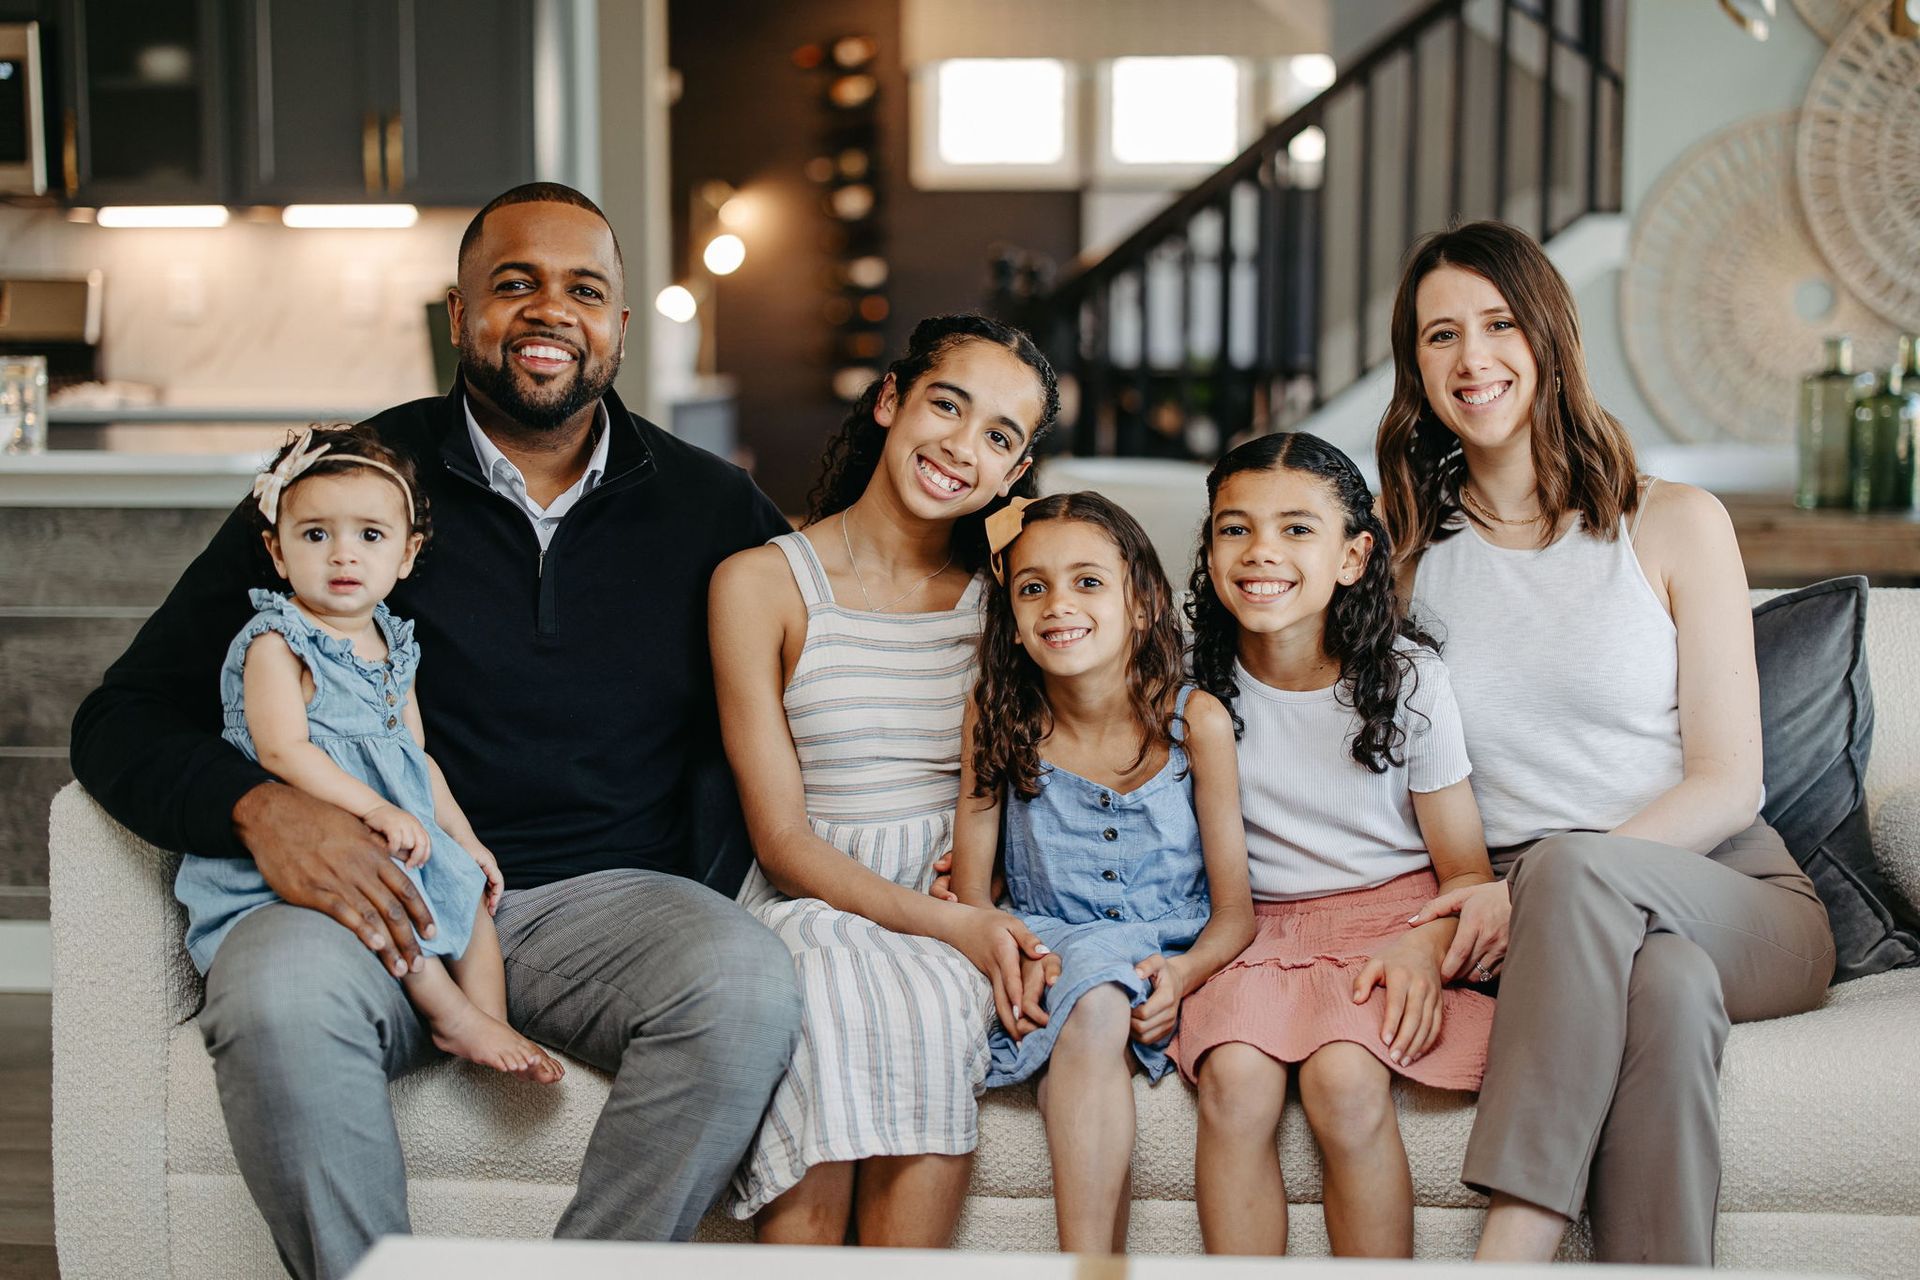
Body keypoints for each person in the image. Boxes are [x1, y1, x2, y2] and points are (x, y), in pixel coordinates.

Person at [68, 182, 802, 1280]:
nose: (550, 311)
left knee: (747, 983)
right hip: (368, 902)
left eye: (583, 289)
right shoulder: (342, 489)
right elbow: (120, 716)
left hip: (607, 906)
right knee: (273, 995)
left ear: (618, 326)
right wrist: (261, 806)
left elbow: (822, 692)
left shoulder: (715, 509)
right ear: (458, 315)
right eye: (514, 284)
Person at [1375, 220, 1835, 1265]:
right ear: (1416, 368)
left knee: (1579, 869)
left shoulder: (1672, 521)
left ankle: (1517, 1238)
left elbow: (1729, 781)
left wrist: (1542, 882)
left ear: (1547, 337)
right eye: (1439, 336)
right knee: (1665, 989)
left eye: (1497, 324)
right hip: (1534, 915)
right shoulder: (1404, 556)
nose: (1472, 358)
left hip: (1734, 889)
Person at [710, 314, 1059, 1245]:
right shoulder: (761, 582)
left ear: (1014, 474)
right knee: (827, 996)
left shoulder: (1011, 602)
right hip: (815, 890)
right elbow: (781, 841)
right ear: (890, 399)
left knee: (940, 995)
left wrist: (974, 897)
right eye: (947, 405)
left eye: (998, 436)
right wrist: (951, 923)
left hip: (960, 889)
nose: (961, 447)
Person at [1170, 430, 1497, 1257]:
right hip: (1250, 924)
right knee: (1235, 1083)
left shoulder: (1411, 682)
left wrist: (1424, 949)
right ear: (1209, 550)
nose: (1260, 552)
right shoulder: (1182, 682)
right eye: (1234, 528)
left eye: (1296, 529)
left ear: (1352, 557)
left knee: (1345, 1080)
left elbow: (1464, 872)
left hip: (1391, 922)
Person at [174, 424, 565, 1085]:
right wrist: (377, 809)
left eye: (370, 536)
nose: (342, 556)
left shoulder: (392, 643)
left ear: (407, 554)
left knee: (468, 897)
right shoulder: (278, 642)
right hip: (325, 837)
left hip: (395, 829)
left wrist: (463, 838)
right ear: (277, 549)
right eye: (316, 534)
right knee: (384, 898)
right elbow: (284, 750)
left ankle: (489, 1017)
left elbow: (413, 754)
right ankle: (448, 1014)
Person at [949, 491, 1254, 1255]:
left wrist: (1184, 975)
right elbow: (973, 895)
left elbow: (1236, 913)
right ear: (1011, 621)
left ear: (1142, 603)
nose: (1059, 605)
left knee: (1104, 1007)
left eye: (1088, 582)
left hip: (1170, 945)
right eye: (1032, 587)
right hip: (1058, 941)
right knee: (1093, 1009)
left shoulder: (1196, 723)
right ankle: (1090, 1264)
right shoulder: (998, 711)